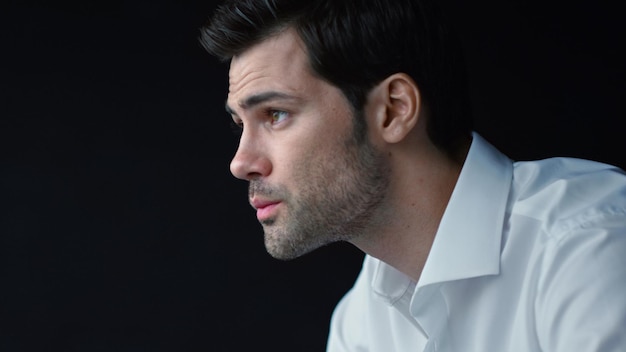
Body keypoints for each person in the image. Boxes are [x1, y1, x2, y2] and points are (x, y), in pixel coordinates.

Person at [199, 0, 626, 350]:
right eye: (240, 125)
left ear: (393, 110)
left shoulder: (588, 246)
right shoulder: (362, 322)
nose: (241, 163)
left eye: (275, 114)